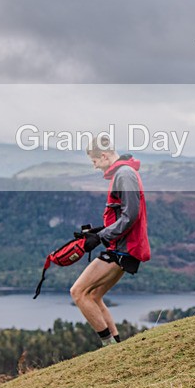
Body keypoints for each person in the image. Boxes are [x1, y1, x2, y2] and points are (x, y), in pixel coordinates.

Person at [69, 135, 150, 346]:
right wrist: (96, 232)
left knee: (78, 292)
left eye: (94, 161)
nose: (95, 167)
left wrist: (101, 236)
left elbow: (130, 216)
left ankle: (108, 347)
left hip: (123, 249)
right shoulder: (123, 173)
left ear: (104, 156)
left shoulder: (124, 174)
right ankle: (116, 346)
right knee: (94, 295)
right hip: (121, 246)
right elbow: (122, 214)